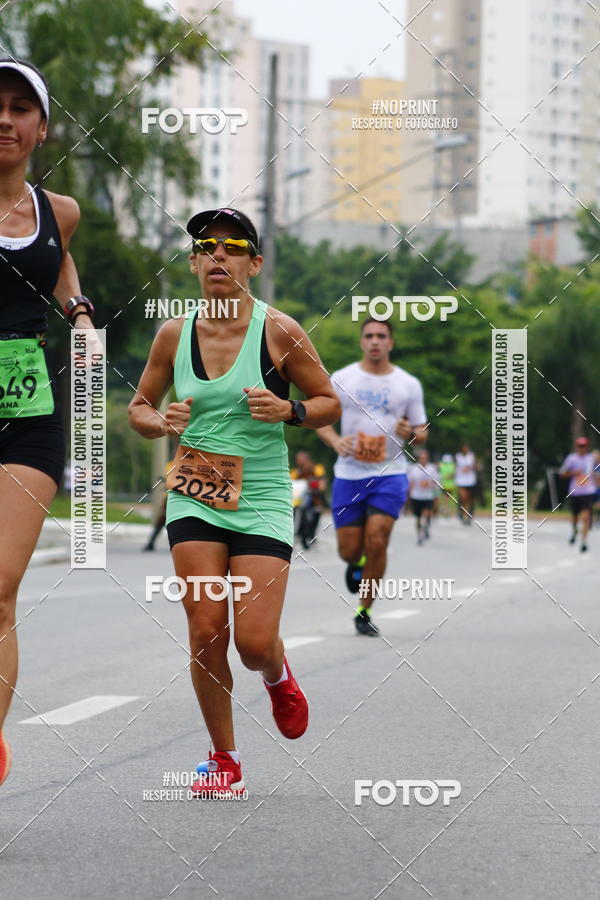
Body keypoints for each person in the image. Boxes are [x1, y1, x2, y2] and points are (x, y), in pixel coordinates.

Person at [128, 207, 340, 796]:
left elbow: (328, 401)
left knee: (250, 642)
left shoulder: (280, 331)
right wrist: (158, 421)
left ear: (254, 261)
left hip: (264, 496)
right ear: (194, 263)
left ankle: (276, 674)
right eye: (206, 246)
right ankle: (225, 759)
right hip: (195, 492)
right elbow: (139, 409)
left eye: (233, 245)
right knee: (205, 628)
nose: (218, 255)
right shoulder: (174, 333)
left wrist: (290, 410)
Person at [0, 59, 98, 787]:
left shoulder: (58, 211)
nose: (4, 120)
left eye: (18, 108)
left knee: (0, 586)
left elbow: (62, 274)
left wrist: (82, 316)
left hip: (28, 412)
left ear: (41, 127)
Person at [317, 318, 427, 636]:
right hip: (349, 475)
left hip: (390, 473)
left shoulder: (408, 384)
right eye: (369, 336)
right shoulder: (342, 379)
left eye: (381, 336)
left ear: (391, 343)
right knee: (349, 551)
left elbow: (421, 431)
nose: (375, 341)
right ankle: (357, 561)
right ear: (361, 342)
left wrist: (413, 433)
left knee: (378, 540)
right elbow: (320, 419)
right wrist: (336, 441)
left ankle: (364, 610)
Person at [559, 436, 597, 552]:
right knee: (575, 517)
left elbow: (596, 467)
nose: (582, 448)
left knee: (585, 518)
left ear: (587, 447)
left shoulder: (591, 458)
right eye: (580, 446)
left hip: (588, 492)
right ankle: (575, 531)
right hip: (575, 492)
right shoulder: (571, 459)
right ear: (577, 447)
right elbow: (562, 474)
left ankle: (583, 542)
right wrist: (574, 473)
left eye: (584, 446)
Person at [290, 450, 327, 550]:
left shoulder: (317, 468)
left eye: (302, 459)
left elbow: (322, 482)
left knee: (316, 515)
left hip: (314, 497)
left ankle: (311, 536)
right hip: (300, 499)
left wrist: (319, 487)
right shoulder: (296, 471)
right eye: (298, 459)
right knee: (300, 516)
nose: (300, 461)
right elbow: (292, 483)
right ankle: (301, 537)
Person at [408, 449, 438, 544]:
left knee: (425, 515)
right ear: (419, 459)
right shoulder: (414, 469)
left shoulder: (431, 468)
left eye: (425, 458)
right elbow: (410, 483)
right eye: (421, 458)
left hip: (427, 496)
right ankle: (419, 536)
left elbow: (435, 481)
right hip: (416, 496)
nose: (423, 460)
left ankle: (425, 527)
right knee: (418, 518)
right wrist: (409, 496)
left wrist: (429, 484)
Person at [454, 443, 478, 524]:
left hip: (471, 481)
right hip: (461, 480)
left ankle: (469, 514)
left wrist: (469, 467)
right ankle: (462, 513)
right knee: (463, 498)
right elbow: (455, 466)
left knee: (470, 500)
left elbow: (476, 466)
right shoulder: (458, 456)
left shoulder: (471, 456)